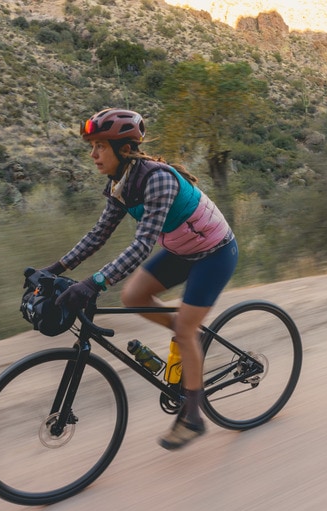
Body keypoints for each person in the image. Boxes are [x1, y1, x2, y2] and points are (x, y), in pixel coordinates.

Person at [42, 108, 238, 450]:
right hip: (180, 250)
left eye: (99, 146)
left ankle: (193, 416)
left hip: (214, 253)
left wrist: (94, 282)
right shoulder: (120, 184)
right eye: (92, 146)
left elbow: (141, 245)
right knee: (132, 298)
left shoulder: (157, 179)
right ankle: (184, 333)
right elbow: (99, 234)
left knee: (185, 329)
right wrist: (56, 268)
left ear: (124, 149)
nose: (93, 155)